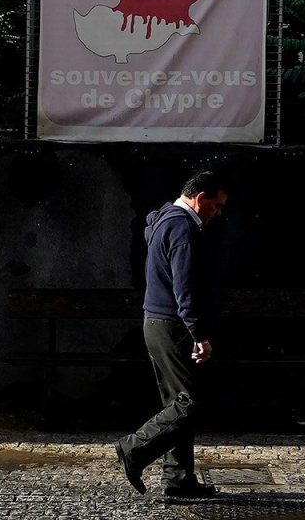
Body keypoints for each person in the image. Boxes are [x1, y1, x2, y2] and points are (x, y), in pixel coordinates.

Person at [113, 169, 227, 498]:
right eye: (217, 205)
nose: (219, 213)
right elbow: (185, 288)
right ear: (200, 198)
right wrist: (199, 334)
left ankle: (178, 479)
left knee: (177, 402)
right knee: (190, 403)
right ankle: (133, 449)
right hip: (172, 325)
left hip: (156, 322)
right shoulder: (183, 228)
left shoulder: (165, 219)